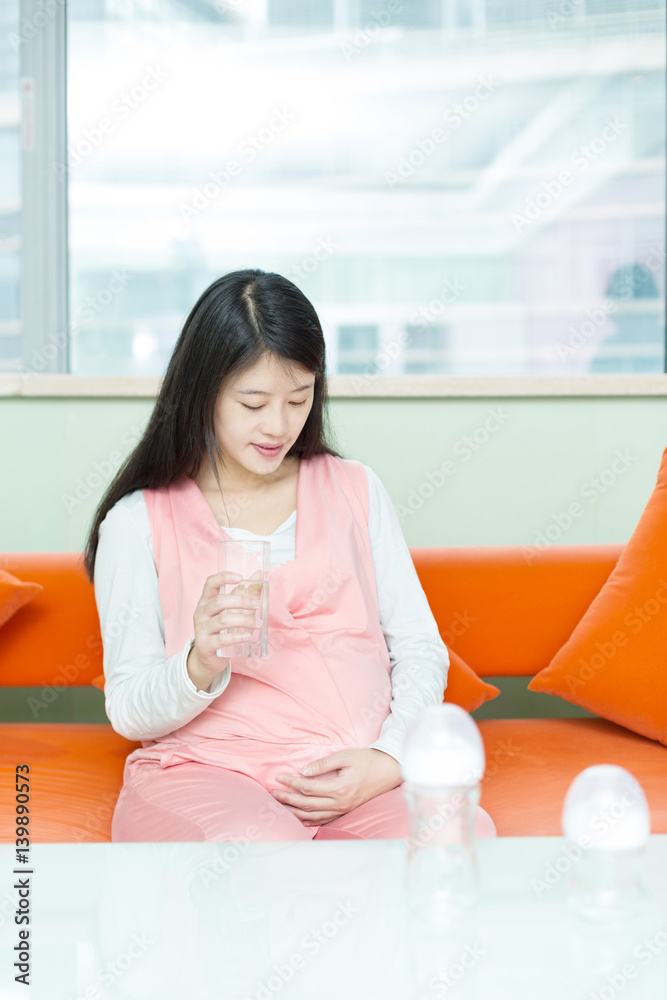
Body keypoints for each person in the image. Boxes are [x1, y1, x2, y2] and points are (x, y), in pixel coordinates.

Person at [84, 268, 496, 842]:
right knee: (258, 851)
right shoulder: (137, 523)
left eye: (298, 398)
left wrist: (390, 758)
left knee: (457, 832)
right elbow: (129, 710)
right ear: (201, 392)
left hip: (358, 775)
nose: (277, 425)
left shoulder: (356, 489)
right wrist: (198, 661)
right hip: (212, 773)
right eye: (253, 403)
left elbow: (420, 646)